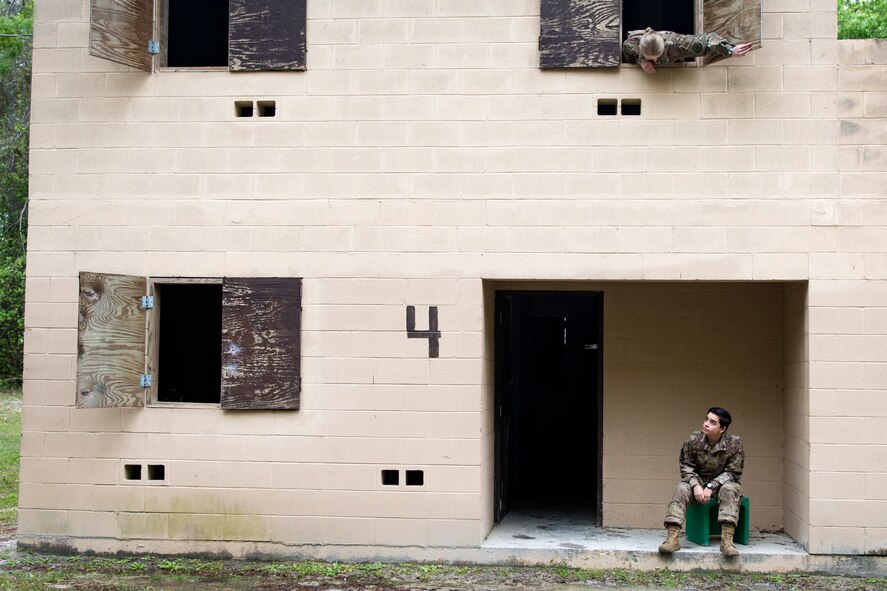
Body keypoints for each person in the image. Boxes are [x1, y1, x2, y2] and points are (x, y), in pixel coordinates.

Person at [658, 407, 744, 557]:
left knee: (731, 489)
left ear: (722, 428)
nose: (706, 424)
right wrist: (695, 484)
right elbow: (685, 465)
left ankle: (727, 541)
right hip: (696, 483)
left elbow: (733, 472)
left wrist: (711, 486)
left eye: (712, 422)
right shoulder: (694, 440)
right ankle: (672, 538)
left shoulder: (734, 444)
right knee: (681, 489)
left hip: (721, 485)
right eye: (706, 419)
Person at [623, 28, 753, 75]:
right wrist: (641, 61)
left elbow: (709, 38)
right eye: (649, 58)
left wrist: (730, 50)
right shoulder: (633, 43)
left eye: (655, 58)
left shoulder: (680, 44)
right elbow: (626, 50)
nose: (653, 62)